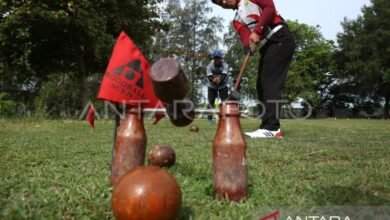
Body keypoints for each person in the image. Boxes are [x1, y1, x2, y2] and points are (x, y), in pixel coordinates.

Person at [211, 0, 296, 138]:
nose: (224, 2)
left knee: (270, 83)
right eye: (221, 4)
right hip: (268, 45)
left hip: (280, 37)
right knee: (261, 85)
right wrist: (247, 46)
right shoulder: (237, 20)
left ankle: (272, 128)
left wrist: (258, 30)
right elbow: (246, 36)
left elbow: (269, 7)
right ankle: (267, 127)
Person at [206, 50, 229, 124]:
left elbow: (224, 76)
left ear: (221, 58)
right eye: (215, 58)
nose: (217, 60)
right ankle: (210, 120)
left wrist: (219, 79)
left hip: (223, 85)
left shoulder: (225, 65)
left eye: (218, 58)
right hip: (212, 86)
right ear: (213, 59)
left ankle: (225, 118)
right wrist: (214, 79)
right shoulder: (209, 66)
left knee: (225, 102)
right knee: (211, 102)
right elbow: (209, 77)